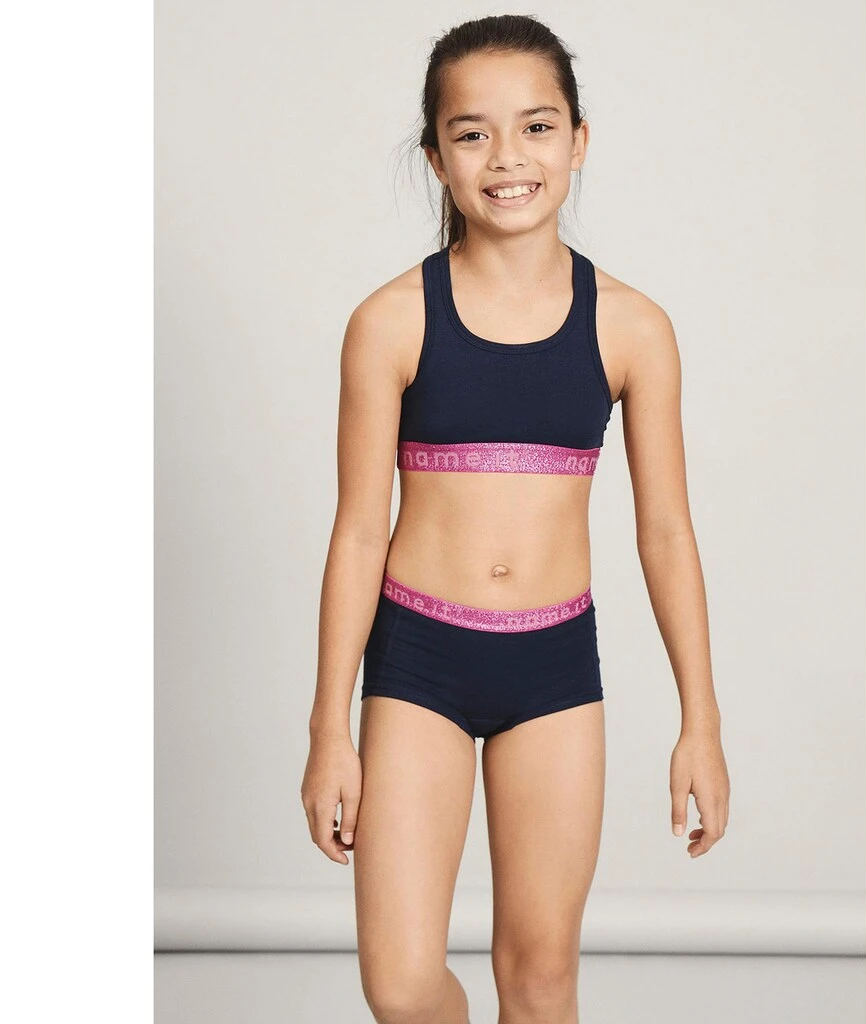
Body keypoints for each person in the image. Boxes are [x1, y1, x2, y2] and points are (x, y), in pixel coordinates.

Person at [301, 14, 730, 1024]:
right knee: (402, 985)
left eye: (536, 127)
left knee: (539, 978)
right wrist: (329, 729)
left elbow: (666, 532)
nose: (507, 158)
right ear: (435, 156)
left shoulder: (632, 327)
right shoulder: (389, 322)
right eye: (472, 133)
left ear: (578, 141)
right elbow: (358, 532)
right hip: (419, 664)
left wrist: (700, 722)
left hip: (553, 672)